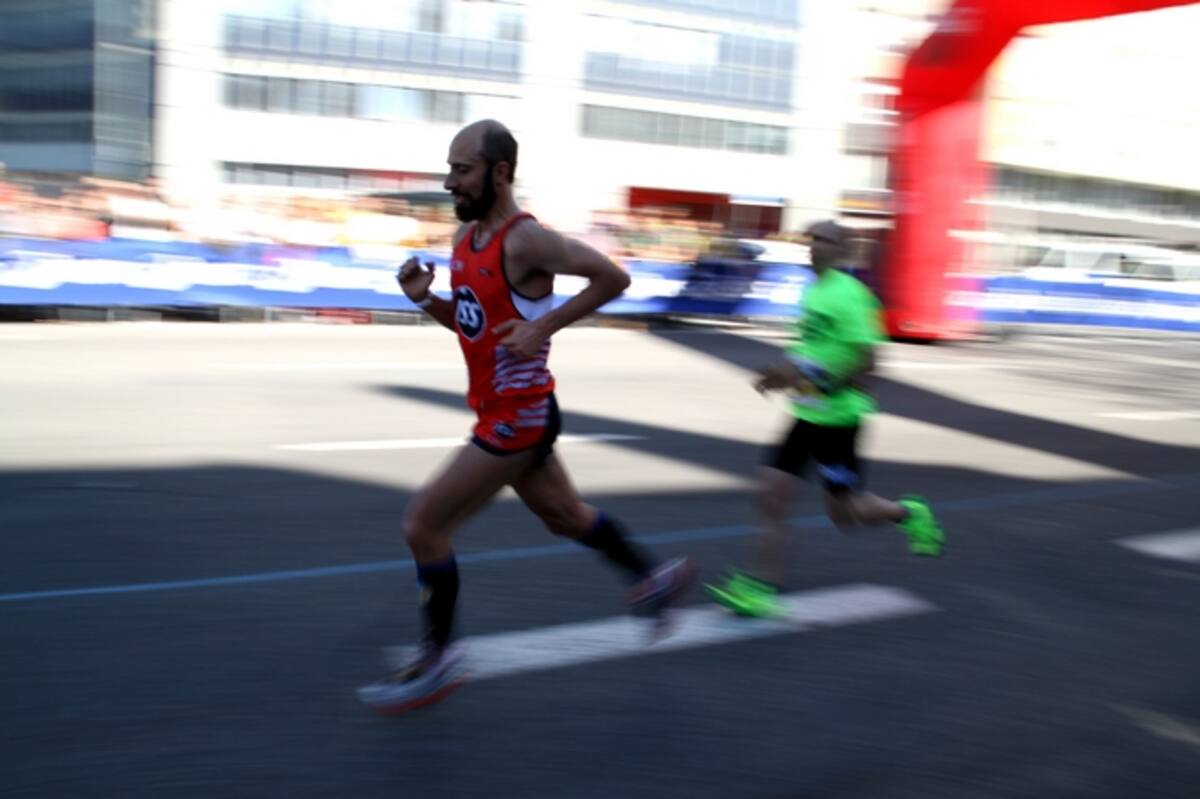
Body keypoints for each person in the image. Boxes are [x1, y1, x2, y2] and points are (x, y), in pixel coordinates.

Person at [358, 120, 696, 713]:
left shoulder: (526, 240)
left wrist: (546, 326)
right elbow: (475, 327)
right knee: (566, 517)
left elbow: (614, 277)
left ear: (500, 173)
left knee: (423, 526)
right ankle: (654, 578)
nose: (449, 182)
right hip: (512, 409)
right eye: (450, 169)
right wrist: (428, 300)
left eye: (462, 170)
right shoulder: (464, 241)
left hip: (518, 418)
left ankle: (439, 660)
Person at [706, 220, 944, 618]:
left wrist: (823, 383)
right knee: (771, 496)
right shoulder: (812, 290)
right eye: (811, 239)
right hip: (806, 413)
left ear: (842, 249)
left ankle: (909, 513)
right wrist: (780, 375)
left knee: (845, 514)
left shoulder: (850, 294)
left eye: (824, 240)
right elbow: (810, 352)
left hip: (839, 421)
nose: (814, 245)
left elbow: (870, 360)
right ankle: (760, 589)